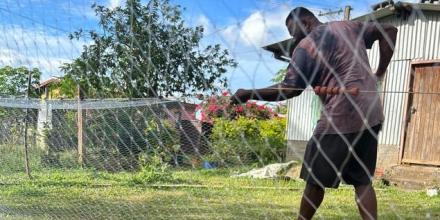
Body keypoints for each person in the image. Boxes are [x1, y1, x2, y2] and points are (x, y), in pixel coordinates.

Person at [230, 7, 397, 220]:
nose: (295, 37)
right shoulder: (348, 27)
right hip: (371, 115)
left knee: (314, 181)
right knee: (362, 182)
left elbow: (290, 89)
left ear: (307, 21)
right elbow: (389, 31)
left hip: (340, 118)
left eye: (294, 31)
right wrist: (379, 73)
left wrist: (248, 93)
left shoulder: (306, 46)